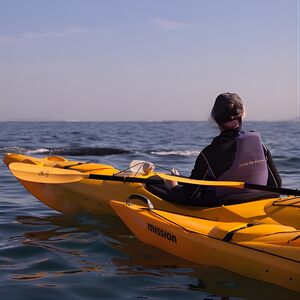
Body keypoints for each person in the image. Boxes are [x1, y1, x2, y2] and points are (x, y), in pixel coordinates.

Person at [164, 92, 282, 206]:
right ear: (243, 114)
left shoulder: (208, 154)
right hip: (257, 206)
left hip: (223, 211)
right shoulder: (261, 147)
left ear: (214, 118)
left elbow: (187, 195)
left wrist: (174, 187)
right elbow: (276, 186)